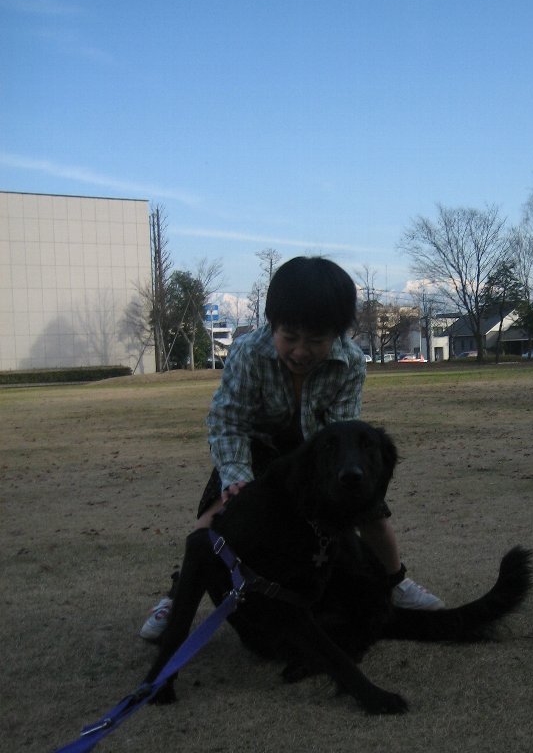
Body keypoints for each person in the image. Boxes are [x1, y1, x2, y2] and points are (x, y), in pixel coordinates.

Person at [140, 256, 443, 640]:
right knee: (214, 521)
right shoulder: (248, 353)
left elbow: (341, 429)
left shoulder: (350, 361)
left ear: (338, 334)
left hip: (318, 456)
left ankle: (394, 581)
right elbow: (228, 422)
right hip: (256, 450)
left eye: (315, 340)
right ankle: (178, 595)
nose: (300, 351)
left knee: (372, 512)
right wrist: (236, 477)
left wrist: (334, 478)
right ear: (273, 325)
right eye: (290, 337)